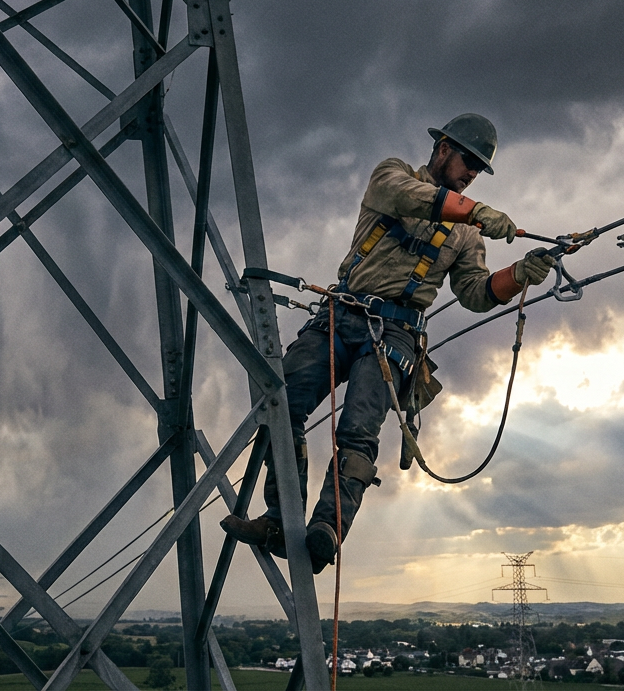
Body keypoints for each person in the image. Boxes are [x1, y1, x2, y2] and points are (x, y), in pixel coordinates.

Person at [220, 113, 557, 573]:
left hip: (394, 333)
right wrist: (476, 209)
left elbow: (475, 292)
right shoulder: (392, 175)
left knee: (358, 430)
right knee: (279, 401)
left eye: (479, 169)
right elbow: (401, 196)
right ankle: (281, 519)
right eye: (468, 162)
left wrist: (518, 275)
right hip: (338, 317)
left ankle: (327, 528)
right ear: (443, 149)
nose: (472, 174)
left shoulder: (465, 235)